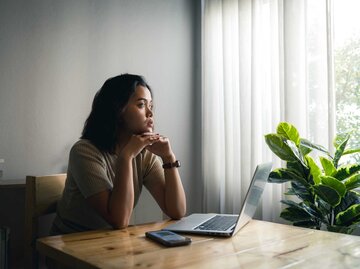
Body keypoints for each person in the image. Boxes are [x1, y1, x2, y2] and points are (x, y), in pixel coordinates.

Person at [51, 74, 186, 234]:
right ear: (118, 110)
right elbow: (119, 220)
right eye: (142, 105)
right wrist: (127, 156)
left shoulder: (144, 155)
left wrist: (168, 157)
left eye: (151, 106)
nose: (150, 113)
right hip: (70, 244)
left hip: (113, 242)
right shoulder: (84, 152)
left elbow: (177, 211)